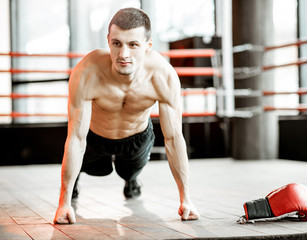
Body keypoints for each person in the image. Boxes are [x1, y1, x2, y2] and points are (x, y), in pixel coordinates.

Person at [53, 7, 200, 224]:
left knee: (128, 172)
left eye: (133, 45)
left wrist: (186, 199)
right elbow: (76, 137)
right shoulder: (88, 72)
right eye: (117, 43)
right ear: (108, 40)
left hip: (136, 137)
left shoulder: (162, 76)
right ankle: (73, 184)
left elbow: (173, 138)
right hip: (95, 136)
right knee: (93, 168)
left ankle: (131, 180)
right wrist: (63, 203)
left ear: (148, 46)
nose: (123, 55)